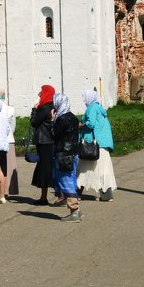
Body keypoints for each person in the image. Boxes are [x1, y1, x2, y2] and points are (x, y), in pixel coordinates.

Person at [77, 89, 117, 201]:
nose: (84, 100)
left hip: (93, 144)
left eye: (84, 97)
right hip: (102, 143)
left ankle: (76, 193)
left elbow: (91, 124)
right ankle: (106, 195)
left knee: (82, 168)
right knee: (103, 169)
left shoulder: (92, 108)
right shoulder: (99, 108)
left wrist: (80, 125)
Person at [51, 92, 81, 222]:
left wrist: (53, 121)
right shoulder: (73, 117)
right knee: (71, 179)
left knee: (66, 181)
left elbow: (54, 135)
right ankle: (76, 211)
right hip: (73, 153)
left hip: (63, 154)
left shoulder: (61, 119)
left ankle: (74, 210)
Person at [30, 84, 56, 205]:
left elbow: (34, 122)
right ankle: (45, 196)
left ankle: (44, 197)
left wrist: (34, 110)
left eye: (42, 91)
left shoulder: (45, 107)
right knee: (46, 167)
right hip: (49, 140)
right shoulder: (51, 106)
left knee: (45, 168)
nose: (40, 94)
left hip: (44, 141)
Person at [0, 89, 19, 196]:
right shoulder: (11, 109)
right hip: (9, 139)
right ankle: (8, 190)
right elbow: (12, 127)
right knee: (8, 166)